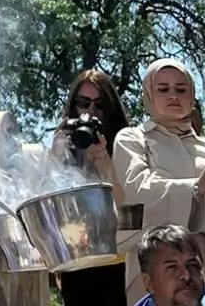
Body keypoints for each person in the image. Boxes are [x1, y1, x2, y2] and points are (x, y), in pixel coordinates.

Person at [114, 59, 205, 301]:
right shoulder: (133, 139)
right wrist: (198, 187)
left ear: (192, 95)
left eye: (181, 89)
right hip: (159, 264)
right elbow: (139, 190)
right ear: (148, 93)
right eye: (163, 89)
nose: (173, 96)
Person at [51, 69, 130, 306]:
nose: (90, 113)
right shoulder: (63, 145)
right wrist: (55, 159)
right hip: (77, 262)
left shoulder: (125, 145)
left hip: (118, 263)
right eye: (83, 103)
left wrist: (104, 161)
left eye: (99, 105)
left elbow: (126, 208)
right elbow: (49, 204)